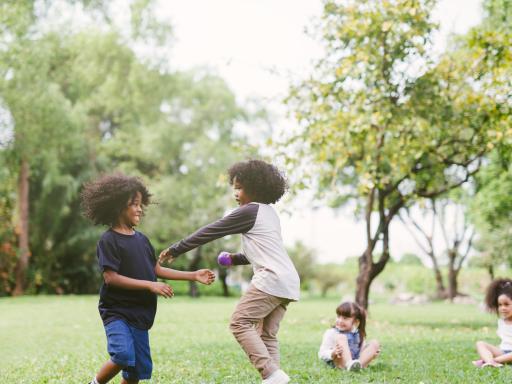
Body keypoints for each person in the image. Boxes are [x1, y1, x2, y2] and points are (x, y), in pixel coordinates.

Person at [159, 159, 300, 384]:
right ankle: (275, 378)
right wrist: (234, 258)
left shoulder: (248, 211)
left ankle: (271, 373)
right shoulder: (269, 213)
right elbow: (265, 252)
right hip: (288, 281)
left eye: (239, 187)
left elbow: (212, 230)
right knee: (266, 335)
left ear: (256, 188)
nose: (235, 193)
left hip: (271, 279)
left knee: (239, 322)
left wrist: (178, 248)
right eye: (234, 187)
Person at [81, 173, 215, 384]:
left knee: (136, 373)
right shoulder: (109, 240)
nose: (140, 209)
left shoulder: (142, 240)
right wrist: (150, 285)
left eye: (141, 204)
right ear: (118, 206)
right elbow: (111, 278)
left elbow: (156, 269)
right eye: (134, 204)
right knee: (123, 356)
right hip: (117, 312)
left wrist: (193, 275)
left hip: (141, 314)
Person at [318, 301, 380, 371]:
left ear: (356, 322)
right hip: (338, 363)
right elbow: (321, 353)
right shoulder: (331, 333)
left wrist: (371, 355)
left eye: (345, 318)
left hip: (356, 361)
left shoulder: (358, 334)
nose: (340, 321)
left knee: (375, 343)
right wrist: (333, 353)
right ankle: (350, 365)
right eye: (338, 316)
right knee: (341, 337)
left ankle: (356, 367)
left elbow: (361, 353)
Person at [473, 278, 512, 368]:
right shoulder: (501, 322)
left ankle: (492, 361)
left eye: (506, 304)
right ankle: (491, 361)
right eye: (500, 305)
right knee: (480, 343)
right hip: (503, 351)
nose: (502, 308)